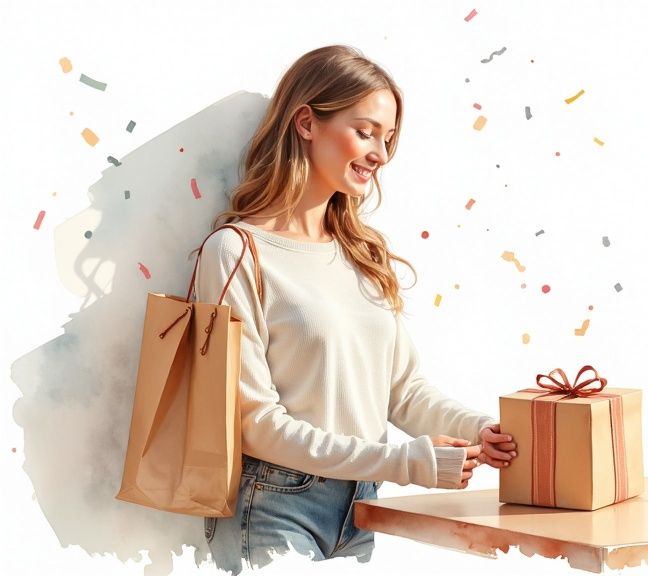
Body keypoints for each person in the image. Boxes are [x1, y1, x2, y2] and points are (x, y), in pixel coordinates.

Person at [197, 45, 517, 574]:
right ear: (306, 122)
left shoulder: (361, 254)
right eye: (366, 131)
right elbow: (256, 425)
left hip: (361, 509)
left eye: (387, 139)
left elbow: (403, 391)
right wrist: (405, 462)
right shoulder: (236, 252)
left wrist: (481, 430)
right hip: (274, 505)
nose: (381, 154)